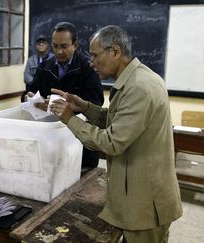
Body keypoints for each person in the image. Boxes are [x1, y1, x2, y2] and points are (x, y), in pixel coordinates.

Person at [49, 25, 182, 243]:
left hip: (146, 201)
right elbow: (118, 121)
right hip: (138, 192)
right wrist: (84, 107)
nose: (91, 63)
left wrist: (69, 119)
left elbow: (112, 141)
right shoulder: (133, 80)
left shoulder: (139, 87)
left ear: (116, 52)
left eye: (95, 55)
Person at [27, 22, 104, 169]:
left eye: (64, 46)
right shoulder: (44, 67)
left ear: (75, 45)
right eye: (55, 46)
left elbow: (96, 102)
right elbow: (30, 91)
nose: (59, 51)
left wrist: (56, 103)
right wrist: (29, 98)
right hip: (51, 142)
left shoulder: (88, 67)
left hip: (81, 145)